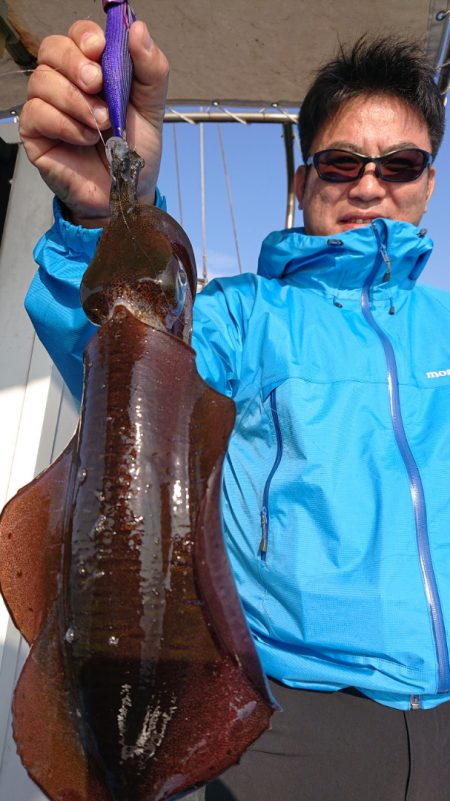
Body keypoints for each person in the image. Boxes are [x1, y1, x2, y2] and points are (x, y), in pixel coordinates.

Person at [19, 18, 450, 801]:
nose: (369, 183)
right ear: (301, 179)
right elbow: (124, 347)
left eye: (402, 164)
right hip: (287, 715)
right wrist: (107, 215)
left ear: (429, 181)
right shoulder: (242, 319)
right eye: (342, 160)